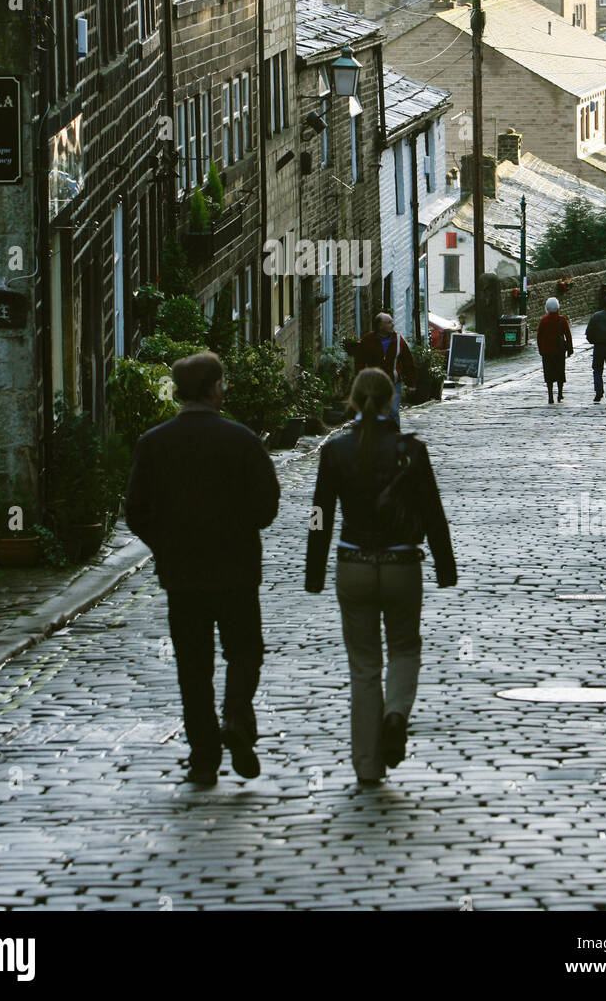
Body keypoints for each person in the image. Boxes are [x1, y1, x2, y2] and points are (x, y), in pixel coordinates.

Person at [124, 351, 280, 787]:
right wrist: (240, 527)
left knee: (193, 667)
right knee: (244, 652)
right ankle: (235, 716)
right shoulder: (242, 440)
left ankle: (204, 758)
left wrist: (167, 543)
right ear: (215, 389)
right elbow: (267, 504)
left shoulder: (154, 443)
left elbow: (135, 510)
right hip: (236, 569)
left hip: (182, 573)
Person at [305, 367, 457, 787]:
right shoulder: (412, 450)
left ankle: (368, 767)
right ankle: (395, 716)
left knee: (364, 667)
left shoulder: (335, 452)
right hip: (401, 565)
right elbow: (432, 512)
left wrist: (314, 570)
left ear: (352, 402)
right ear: (393, 401)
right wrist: (445, 565)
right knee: (405, 649)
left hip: (353, 565)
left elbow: (320, 516)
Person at [353, 312, 417, 426]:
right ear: (380, 326)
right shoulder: (368, 340)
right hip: (373, 384)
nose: (393, 324)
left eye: (392, 321)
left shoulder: (398, 340)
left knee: (393, 411)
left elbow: (408, 362)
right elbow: (359, 361)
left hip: (393, 382)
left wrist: (411, 383)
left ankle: (395, 437)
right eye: (389, 322)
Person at [536, 296, 573, 404]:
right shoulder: (562, 320)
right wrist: (570, 348)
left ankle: (550, 396)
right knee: (560, 371)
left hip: (547, 351)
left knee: (549, 373)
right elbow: (568, 335)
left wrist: (540, 349)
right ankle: (560, 393)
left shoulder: (543, 320)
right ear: (557, 308)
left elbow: (539, 336)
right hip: (559, 350)